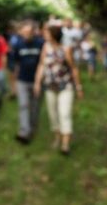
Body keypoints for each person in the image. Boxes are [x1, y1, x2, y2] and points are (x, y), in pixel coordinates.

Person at [34, 23, 83, 155]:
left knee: (64, 113)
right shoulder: (46, 48)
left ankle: (65, 145)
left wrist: (78, 87)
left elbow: (73, 68)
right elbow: (41, 65)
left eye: (47, 32)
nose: (44, 34)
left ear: (54, 35)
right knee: (53, 114)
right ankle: (57, 137)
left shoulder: (66, 49)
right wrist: (37, 82)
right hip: (50, 86)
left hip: (65, 86)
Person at [12, 20, 44, 143]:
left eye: (29, 32)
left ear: (34, 32)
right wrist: (14, 82)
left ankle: (33, 128)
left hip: (37, 81)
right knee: (23, 105)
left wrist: (39, 80)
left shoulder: (41, 43)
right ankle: (24, 131)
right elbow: (16, 64)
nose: (26, 34)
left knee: (35, 107)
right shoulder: (18, 45)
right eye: (24, 32)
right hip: (22, 80)